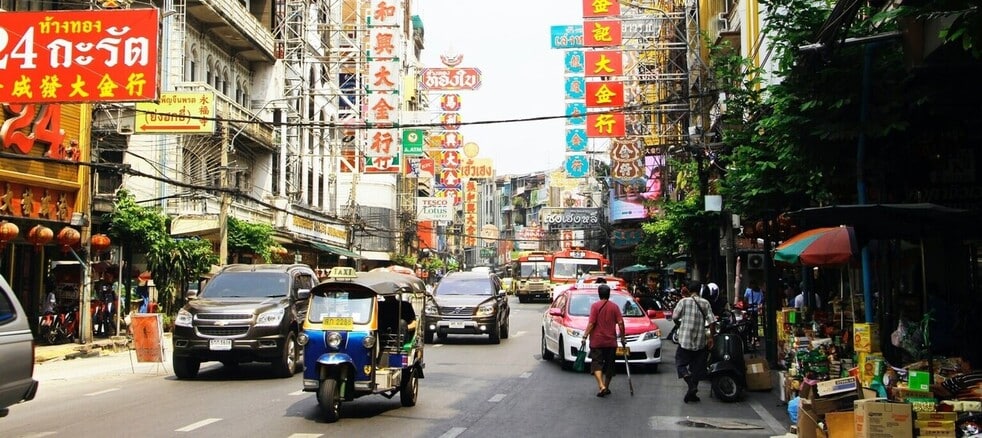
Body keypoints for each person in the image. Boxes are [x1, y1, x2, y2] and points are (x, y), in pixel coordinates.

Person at [673, 280, 717, 403]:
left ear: (689, 289)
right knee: (696, 367)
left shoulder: (683, 302)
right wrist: (711, 337)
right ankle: (692, 391)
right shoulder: (705, 303)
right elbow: (712, 322)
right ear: (700, 290)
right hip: (699, 341)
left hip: (685, 340)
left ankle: (690, 385)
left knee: (680, 364)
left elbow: (675, 317)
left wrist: (680, 325)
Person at [581, 284, 626, 398]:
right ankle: (606, 386)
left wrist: (585, 336)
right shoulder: (614, 307)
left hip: (597, 341)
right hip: (611, 341)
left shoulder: (595, 307)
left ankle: (601, 386)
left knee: (597, 363)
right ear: (609, 294)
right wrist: (622, 337)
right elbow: (621, 323)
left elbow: (591, 324)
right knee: (610, 365)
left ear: (599, 294)